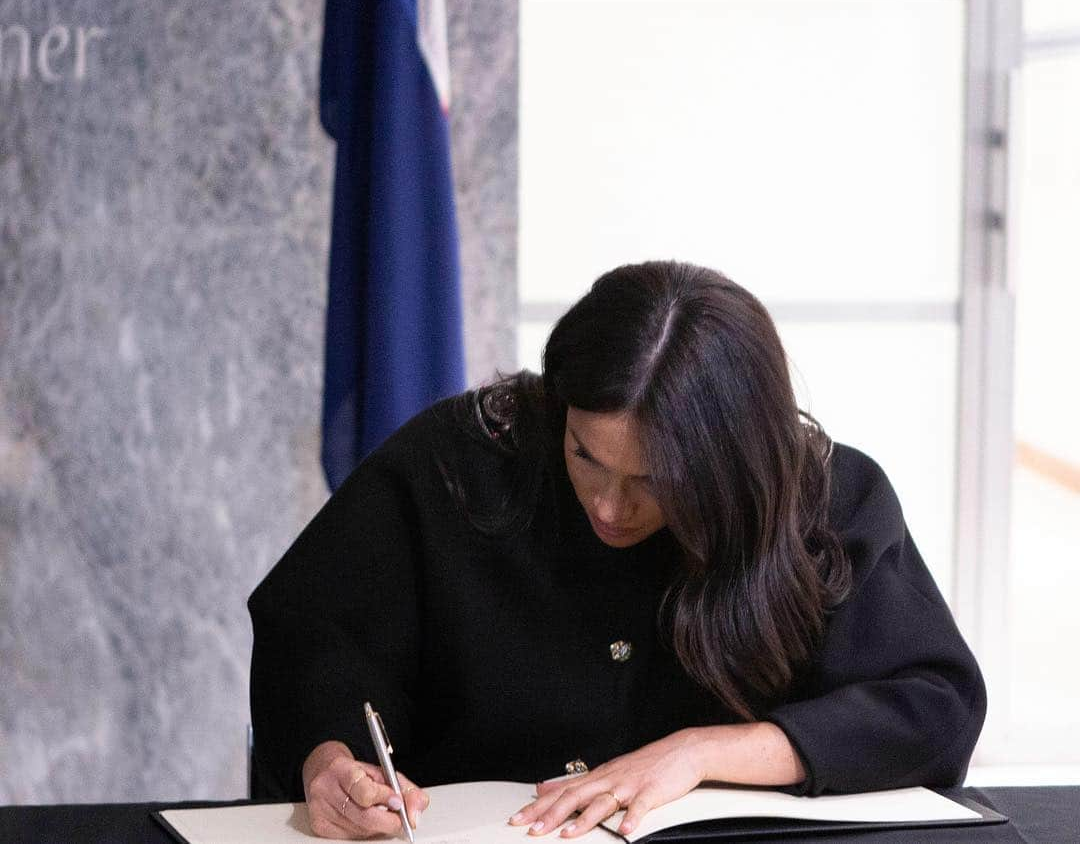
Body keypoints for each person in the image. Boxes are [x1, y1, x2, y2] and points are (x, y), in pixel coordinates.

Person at [248, 261, 986, 841]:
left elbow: (932, 706)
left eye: (655, 481)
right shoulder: (457, 463)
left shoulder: (822, 497)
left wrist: (700, 754)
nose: (608, 505)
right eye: (585, 455)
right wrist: (330, 764)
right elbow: (314, 640)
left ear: (729, 465)